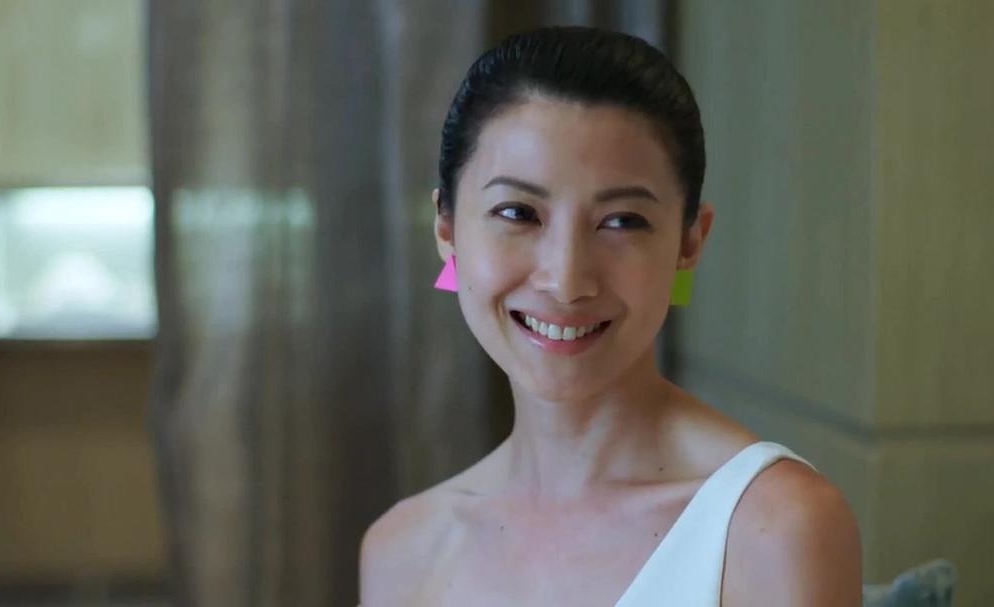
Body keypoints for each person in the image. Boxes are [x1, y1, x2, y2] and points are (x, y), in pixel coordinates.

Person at [359, 26, 862, 606]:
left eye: (622, 221)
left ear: (689, 244)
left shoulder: (772, 529)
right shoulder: (402, 551)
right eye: (518, 212)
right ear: (447, 230)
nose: (567, 280)